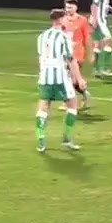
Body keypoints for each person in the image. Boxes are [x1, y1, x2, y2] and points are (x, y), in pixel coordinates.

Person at [36, 9, 87, 153]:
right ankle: (66, 138)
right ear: (59, 20)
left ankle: (41, 140)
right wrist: (79, 79)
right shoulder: (63, 37)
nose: (67, 20)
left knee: (44, 105)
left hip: (45, 76)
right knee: (72, 105)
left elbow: (41, 58)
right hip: (60, 76)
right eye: (65, 18)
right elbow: (71, 60)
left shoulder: (42, 36)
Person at [61, 0, 94, 109]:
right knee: (69, 78)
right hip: (64, 54)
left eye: (70, 7)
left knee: (71, 77)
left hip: (77, 54)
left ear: (76, 7)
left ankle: (70, 102)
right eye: (66, 7)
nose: (68, 10)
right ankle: (83, 94)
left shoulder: (82, 20)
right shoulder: (63, 20)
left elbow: (87, 37)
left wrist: (91, 53)